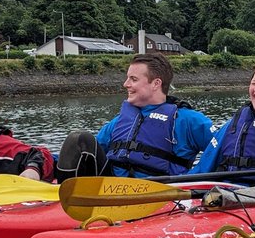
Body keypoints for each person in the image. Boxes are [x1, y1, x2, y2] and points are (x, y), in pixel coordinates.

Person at [56, 52, 214, 179]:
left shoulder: (189, 120)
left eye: (133, 79)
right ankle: (66, 202)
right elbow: (85, 155)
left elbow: (222, 150)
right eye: (127, 78)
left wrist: (194, 177)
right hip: (112, 191)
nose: (126, 84)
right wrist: (40, 161)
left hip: (160, 193)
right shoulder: (119, 122)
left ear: (155, 84)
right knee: (78, 140)